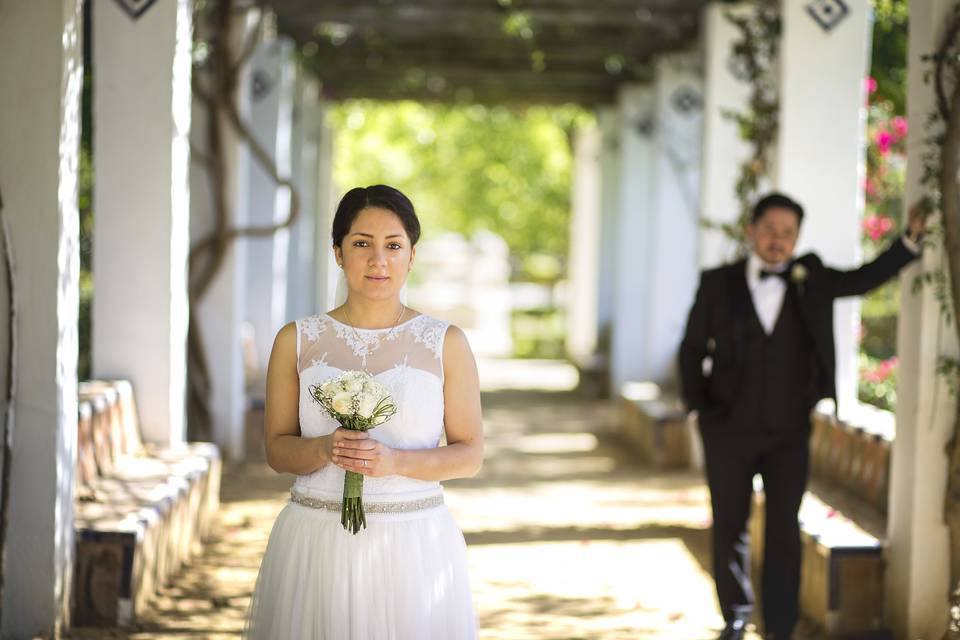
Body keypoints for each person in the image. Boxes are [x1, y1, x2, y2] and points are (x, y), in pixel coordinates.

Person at [678, 193, 925, 640]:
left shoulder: (810, 278)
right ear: (751, 230)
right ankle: (735, 616)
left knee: (783, 529)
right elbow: (692, 349)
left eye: (787, 233)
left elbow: (862, 279)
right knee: (729, 522)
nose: (778, 240)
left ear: (796, 238)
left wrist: (908, 242)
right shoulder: (718, 283)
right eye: (769, 230)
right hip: (727, 429)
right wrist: (701, 411)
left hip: (788, 431)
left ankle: (779, 625)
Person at [245, 185, 483, 639]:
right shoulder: (296, 340)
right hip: (317, 539)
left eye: (394, 245)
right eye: (361, 244)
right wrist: (324, 449)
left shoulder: (445, 343)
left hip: (414, 542)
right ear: (337, 252)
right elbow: (277, 451)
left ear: (411, 255)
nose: (379, 260)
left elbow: (469, 455)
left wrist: (396, 462)